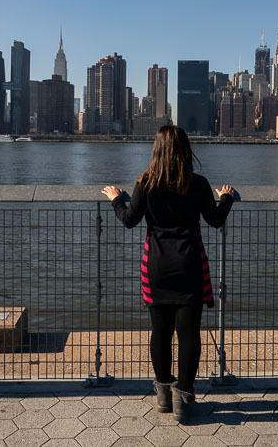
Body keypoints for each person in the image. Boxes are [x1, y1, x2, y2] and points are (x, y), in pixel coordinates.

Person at [102, 125, 235, 423]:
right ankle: (183, 402)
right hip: (190, 266)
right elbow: (214, 220)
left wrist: (115, 198)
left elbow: (128, 219)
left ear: (156, 150)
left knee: (160, 332)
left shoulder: (145, 183)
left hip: (156, 268)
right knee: (189, 335)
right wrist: (226, 197)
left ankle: (163, 396)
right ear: (186, 151)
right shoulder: (198, 184)